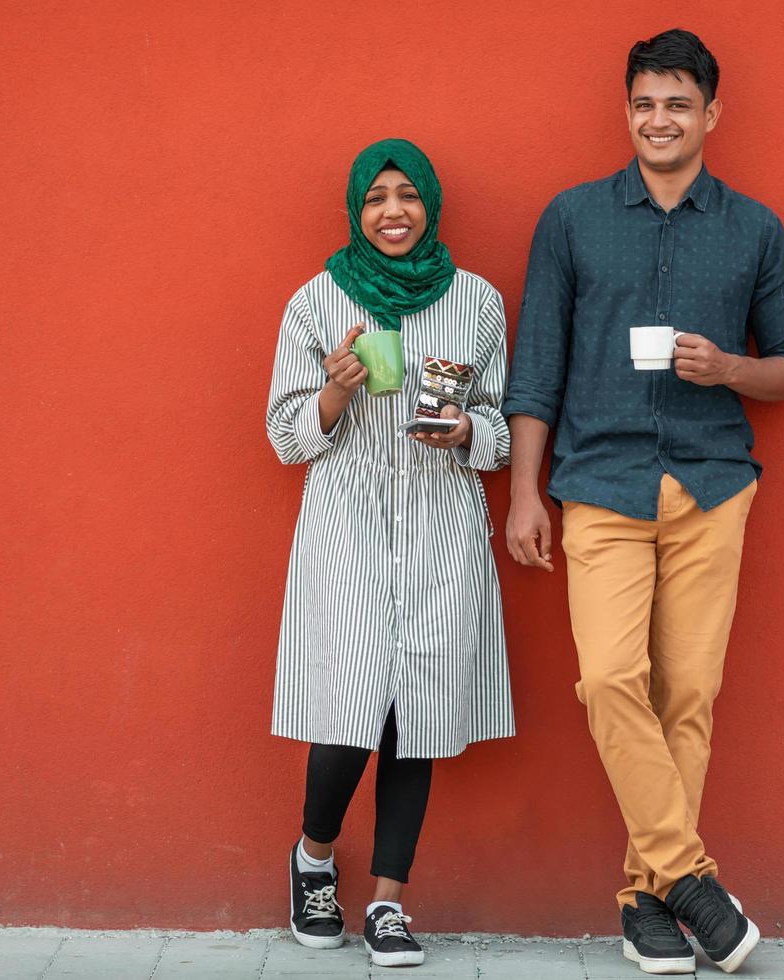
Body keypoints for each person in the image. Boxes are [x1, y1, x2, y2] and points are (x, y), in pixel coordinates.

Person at [503, 29, 784, 977]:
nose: (659, 119)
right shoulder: (571, 219)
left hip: (713, 483)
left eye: (678, 103)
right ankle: (690, 880)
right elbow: (535, 369)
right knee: (609, 681)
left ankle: (645, 900)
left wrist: (727, 368)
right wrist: (525, 492)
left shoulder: (756, 229)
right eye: (644, 102)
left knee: (689, 694)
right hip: (598, 484)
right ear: (627, 111)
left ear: (711, 114)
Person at [265, 138, 514, 969]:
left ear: (431, 204)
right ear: (356, 210)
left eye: (408, 195)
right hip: (349, 519)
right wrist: (335, 390)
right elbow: (284, 436)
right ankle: (314, 855)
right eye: (376, 198)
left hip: (442, 519)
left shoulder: (476, 301)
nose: (393, 211)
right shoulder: (315, 300)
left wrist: (467, 430)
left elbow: (502, 430)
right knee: (349, 703)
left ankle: (388, 905)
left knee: (420, 712)